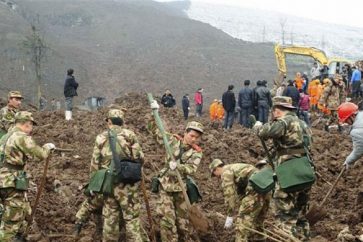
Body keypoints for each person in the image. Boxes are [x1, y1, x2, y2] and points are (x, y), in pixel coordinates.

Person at [253, 96, 312, 241]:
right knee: (300, 210)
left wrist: (258, 126)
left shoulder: (284, 121)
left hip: (288, 170)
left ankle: (286, 237)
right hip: (305, 168)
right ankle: (303, 237)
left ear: (277, 111)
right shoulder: (303, 124)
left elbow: (264, 133)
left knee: (284, 208)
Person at [88, 109, 149, 241]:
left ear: (109, 121)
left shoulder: (101, 137)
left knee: (110, 221)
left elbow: (94, 164)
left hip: (109, 185)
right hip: (128, 184)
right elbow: (140, 157)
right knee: (132, 220)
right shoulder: (130, 135)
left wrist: (94, 185)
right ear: (122, 121)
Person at [149, 100, 204, 242]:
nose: (194, 139)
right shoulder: (172, 141)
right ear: (185, 133)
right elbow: (155, 131)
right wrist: (153, 114)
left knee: (182, 223)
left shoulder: (196, 152)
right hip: (166, 186)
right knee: (167, 221)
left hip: (181, 189)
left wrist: (178, 166)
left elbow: (191, 169)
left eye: (197, 138)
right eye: (192, 135)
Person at [0, 111, 55, 241]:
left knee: (22, 211)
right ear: (27, 124)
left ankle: (21, 236)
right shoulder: (21, 137)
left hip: (3, 180)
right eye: (31, 125)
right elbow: (39, 154)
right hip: (12, 183)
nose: (31, 129)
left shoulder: (5, 137)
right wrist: (48, 147)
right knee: (10, 224)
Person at [209, 159, 270, 242]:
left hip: (255, 186)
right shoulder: (236, 167)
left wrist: (229, 215)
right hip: (267, 185)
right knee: (258, 219)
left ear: (216, 169)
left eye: (214, 174)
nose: (217, 177)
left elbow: (229, 195)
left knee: (242, 221)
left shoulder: (225, 172)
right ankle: (260, 239)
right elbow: (241, 190)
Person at [337, 102, 362, 169]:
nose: (346, 123)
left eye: (346, 120)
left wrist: (348, 161)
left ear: (352, 116)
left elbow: (359, 151)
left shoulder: (357, 131)